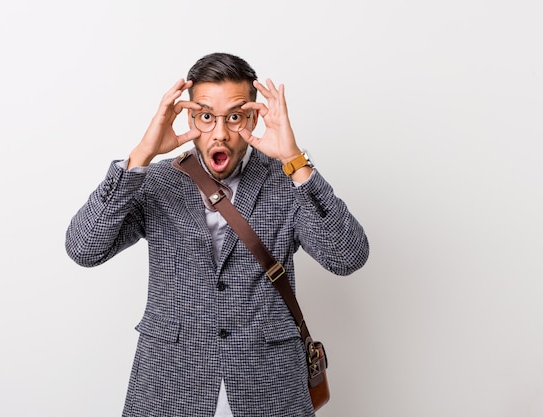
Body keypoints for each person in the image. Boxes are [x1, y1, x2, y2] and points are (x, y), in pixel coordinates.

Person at [65, 52, 369, 417]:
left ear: (254, 117)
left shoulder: (286, 181)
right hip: (169, 386)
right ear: (190, 116)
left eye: (235, 116)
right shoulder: (156, 182)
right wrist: (140, 157)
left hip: (269, 388)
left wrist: (295, 160)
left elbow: (347, 257)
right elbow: (84, 248)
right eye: (206, 116)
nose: (220, 132)